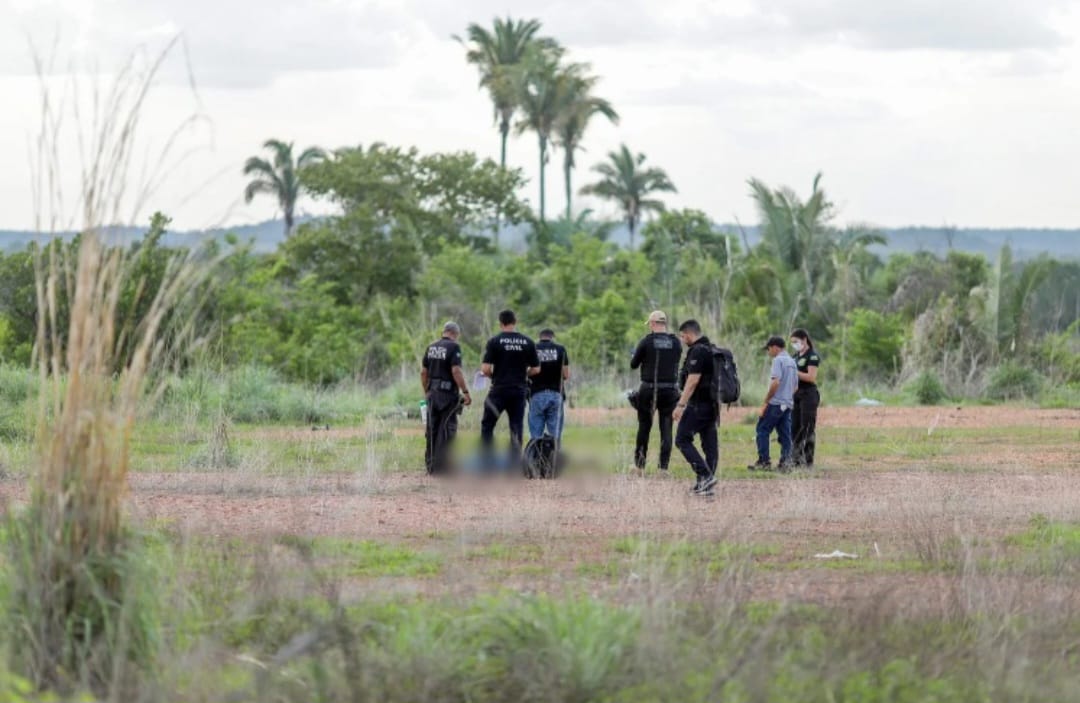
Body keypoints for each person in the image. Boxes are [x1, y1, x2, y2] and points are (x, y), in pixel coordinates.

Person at [480, 309, 540, 466]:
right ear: (515, 322)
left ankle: (487, 463)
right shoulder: (528, 342)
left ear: (500, 323)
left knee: (488, 425)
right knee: (516, 427)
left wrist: (495, 376)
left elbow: (485, 369)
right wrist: (523, 374)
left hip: (498, 391)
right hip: (518, 391)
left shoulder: (494, 341)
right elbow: (536, 369)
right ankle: (513, 466)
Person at [629, 310, 682, 471]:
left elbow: (633, 365)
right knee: (666, 429)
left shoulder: (646, 341)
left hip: (649, 389)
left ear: (652, 324)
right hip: (670, 391)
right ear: (664, 323)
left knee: (644, 426)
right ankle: (663, 469)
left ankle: (639, 466)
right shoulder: (676, 342)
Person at [673, 319, 719, 496]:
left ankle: (705, 475)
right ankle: (706, 482)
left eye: (683, 336)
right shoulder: (710, 348)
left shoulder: (698, 351)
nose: (683, 340)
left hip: (699, 404)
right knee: (709, 444)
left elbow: (693, 380)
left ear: (690, 334)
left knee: (682, 439)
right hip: (712, 404)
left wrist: (681, 405)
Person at [420, 321, 471, 475]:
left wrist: (427, 391)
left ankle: (431, 466)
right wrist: (466, 391)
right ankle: (443, 467)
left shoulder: (431, 347)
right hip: (447, 395)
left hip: (432, 394)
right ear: (455, 334)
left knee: (432, 429)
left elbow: (423, 372)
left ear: (444, 331)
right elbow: (456, 371)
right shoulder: (454, 347)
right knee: (447, 429)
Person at [747, 336, 798, 472]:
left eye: (769, 349)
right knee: (785, 434)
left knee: (762, 430)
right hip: (787, 404)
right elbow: (795, 386)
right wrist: (787, 397)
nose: (768, 352)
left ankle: (764, 461)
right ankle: (786, 463)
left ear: (775, 347)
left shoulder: (778, 360)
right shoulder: (793, 362)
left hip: (776, 403)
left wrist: (766, 401)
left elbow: (775, 382)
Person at [528, 328, 570, 441]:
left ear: (540, 337)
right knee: (555, 435)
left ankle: (536, 457)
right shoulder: (561, 349)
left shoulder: (532, 348)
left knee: (536, 435)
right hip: (556, 393)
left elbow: (527, 370)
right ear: (552, 337)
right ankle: (554, 457)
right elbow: (566, 375)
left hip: (536, 394)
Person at [790, 328, 820, 468]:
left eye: (796, 341)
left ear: (804, 340)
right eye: (792, 342)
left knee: (807, 427)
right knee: (794, 427)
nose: (794, 344)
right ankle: (795, 460)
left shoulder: (812, 356)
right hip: (796, 395)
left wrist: (794, 372)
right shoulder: (795, 356)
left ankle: (808, 461)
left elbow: (811, 377)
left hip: (808, 395)